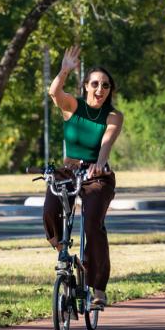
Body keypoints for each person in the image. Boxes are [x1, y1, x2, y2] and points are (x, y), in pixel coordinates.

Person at [43, 45, 124, 308]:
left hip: (97, 175)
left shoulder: (113, 115)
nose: (100, 90)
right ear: (85, 85)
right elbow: (54, 92)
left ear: (110, 90)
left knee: (92, 225)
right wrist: (65, 69)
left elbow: (107, 142)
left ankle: (98, 288)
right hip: (69, 169)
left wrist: (99, 164)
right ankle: (65, 253)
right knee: (50, 209)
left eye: (106, 86)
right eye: (95, 84)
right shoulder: (72, 107)